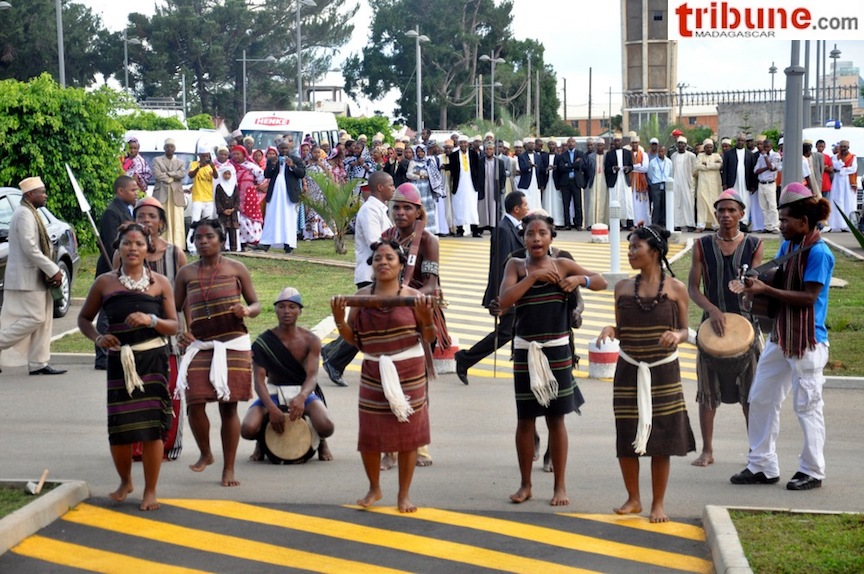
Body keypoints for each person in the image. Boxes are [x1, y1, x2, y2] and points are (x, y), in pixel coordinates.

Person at [730, 183, 834, 491]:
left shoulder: (819, 253)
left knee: (807, 407)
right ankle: (762, 465)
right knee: (761, 397)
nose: (781, 225)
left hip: (807, 340)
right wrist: (754, 285)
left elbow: (809, 298)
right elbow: (776, 280)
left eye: (786, 220)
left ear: (804, 222)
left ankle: (812, 471)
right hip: (782, 335)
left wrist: (766, 289)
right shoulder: (789, 246)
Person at [499, 213, 607, 506]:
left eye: (542, 233)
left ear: (551, 237)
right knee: (525, 419)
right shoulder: (515, 265)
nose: (536, 238)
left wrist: (580, 279)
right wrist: (532, 277)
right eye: (530, 233)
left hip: (558, 350)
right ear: (523, 238)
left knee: (556, 419)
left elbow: (600, 282)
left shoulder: (562, 264)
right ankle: (525, 485)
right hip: (526, 351)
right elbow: (504, 300)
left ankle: (560, 486)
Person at [597, 225, 695, 523]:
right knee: (627, 433)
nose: (630, 253)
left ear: (654, 251)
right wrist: (611, 329)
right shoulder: (623, 288)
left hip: (663, 373)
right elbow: (622, 328)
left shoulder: (675, 289)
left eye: (635, 247)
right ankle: (633, 499)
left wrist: (677, 336)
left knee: (661, 437)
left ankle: (658, 504)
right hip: (628, 370)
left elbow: (685, 330)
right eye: (629, 247)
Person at [78, 222, 179, 511]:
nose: (133, 248)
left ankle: (150, 490)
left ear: (148, 249)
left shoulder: (160, 283)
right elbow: (84, 319)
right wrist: (99, 338)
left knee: (152, 428)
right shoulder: (105, 283)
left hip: (153, 361)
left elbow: (174, 326)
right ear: (118, 248)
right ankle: (125, 481)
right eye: (127, 243)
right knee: (119, 427)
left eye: (139, 244)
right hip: (119, 361)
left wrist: (151, 320)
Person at [330, 240, 437, 513]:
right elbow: (353, 340)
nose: (383, 262)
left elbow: (428, 337)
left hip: (409, 370)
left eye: (390, 258)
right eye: (378, 258)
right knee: (370, 434)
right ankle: (374, 488)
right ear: (372, 265)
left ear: (400, 265)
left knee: (408, 435)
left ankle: (404, 494)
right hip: (373, 370)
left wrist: (426, 318)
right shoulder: (361, 298)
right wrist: (339, 319)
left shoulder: (413, 296)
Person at [174, 219, 261, 487]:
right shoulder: (186, 273)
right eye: (198, 237)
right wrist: (180, 332)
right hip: (201, 344)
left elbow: (256, 304)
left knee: (228, 406)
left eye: (209, 236)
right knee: (194, 401)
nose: (203, 241)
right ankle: (206, 453)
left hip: (233, 344)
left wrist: (246, 311)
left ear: (221, 241)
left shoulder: (236, 268)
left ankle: (229, 469)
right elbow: (174, 308)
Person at [688, 190, 763, 467]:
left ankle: (755, 451)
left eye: (732, 210)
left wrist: (748, 287)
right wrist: (712, 310)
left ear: (742, 214)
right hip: (711, 328)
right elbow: (693, 288)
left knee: (751, 393)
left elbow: (756, 282)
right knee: (707, 392)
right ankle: (707, 450)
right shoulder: (702, 245)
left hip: (746, 327)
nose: (726, 215)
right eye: (721, 210)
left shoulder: (754, 244)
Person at [118, 197, 189, 461]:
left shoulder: (175, 254)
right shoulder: (123, 253)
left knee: (170, 391)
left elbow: (187, 296)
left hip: (169, 332)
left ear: (161, 222)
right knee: (136, 391)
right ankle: (137, 447)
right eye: (141, 216)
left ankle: (168, 445)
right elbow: (114, 292)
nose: (146, 220)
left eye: (152, 216)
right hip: (135, 337)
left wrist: (189, 329)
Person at [241, 287, 334, 462]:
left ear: (300, 311)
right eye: (281, 306)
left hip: (302, 390)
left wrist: (302, 396)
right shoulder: (263, 342)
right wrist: (271, 407)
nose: (286, 311)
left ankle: (321, 441)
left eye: (292, 307)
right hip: (274, 391)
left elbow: (312, 376)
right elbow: (259, 382)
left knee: (326, 426)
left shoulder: (311, 340)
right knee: (247, 429)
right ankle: (261, 442)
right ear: (275, 310)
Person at [321, 172, 396, 387]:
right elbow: (376, 243)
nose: (394, 188)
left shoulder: (379, 209)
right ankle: (335, 361)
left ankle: (331, 351)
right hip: (370, 276)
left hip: (379, 275)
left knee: (363, 322)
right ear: (380, 187)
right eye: (391, 185)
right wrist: (398, 249)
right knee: (367, 325)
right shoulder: (369, 210)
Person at [455, 191, 527, 384]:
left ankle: (523, 365)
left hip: (517, 291)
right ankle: (465, 359)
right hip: (508, 292)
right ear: (516, 208)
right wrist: (501, 298)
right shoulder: (503, 230)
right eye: (525, 205)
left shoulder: (515, 227)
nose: (527, 209)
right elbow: (500, 266)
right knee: (505, 333)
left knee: (518, 330)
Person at [0, 177, 66, 375]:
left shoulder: (31, 212)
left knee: (44, 321)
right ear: (30, 194)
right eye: (41, 192)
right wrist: (53, 269)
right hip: (27, 278)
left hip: (37, 277)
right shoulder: (24, 214)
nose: (45, 195)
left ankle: (38, 363)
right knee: (36, 318)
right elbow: (30, 248)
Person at [94, 175, 137, 370]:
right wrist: (117, 268)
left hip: (125, 268)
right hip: (110, 268)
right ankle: (102, 357)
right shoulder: (112, 213)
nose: (136, 193)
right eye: (132, 190)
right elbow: (112, 244)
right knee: (106, 313)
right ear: (121, 191)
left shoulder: (127, 210)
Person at [262, 139, 306, 253]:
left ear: (289, 148)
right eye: (282, 148)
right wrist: (272, 165)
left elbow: (302, 174)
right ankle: (266, 243)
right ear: (278, 149)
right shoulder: (272, 160)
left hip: (289, 193)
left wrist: (293, 166)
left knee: (288, 218)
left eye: (286, 148)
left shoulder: (296, 159)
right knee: (272, 216)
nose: (284, 150)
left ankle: (288, 245)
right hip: (275, 193)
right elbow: (267, 174)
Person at [151, 138, 187, 250]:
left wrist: (168, 174)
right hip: (161, 194)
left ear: (174, 148)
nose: (169, 149)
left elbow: (182, 174)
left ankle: (177, 245)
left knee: (177, 219)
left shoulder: (180, 162)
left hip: (176, 195)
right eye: (167, 147)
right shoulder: (157, 160)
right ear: (164, 148)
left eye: (171, 147)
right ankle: (162, 243)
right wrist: (171, 179)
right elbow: (157, 174)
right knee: (163, 217)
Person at [230, 146, 265, 250]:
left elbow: (261, 177)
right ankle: (241, 241)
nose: (236, 156)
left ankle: (254, 239)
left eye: (238, 154)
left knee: (251, 216)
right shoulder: (230, 165)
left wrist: (255, 185)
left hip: (249, 194)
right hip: (235, 193)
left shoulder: (251, 166)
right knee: (238, 216)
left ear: (244, 154)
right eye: (234, 154)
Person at [448, 134, 481, 237]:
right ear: (458, 144)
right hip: (459, 184)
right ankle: (460, 230)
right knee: (459, 206)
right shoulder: (453, 155)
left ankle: (474, 230)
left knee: (472, 207)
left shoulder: (474, 154)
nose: (463, 144)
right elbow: (452, 169)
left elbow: (478, 169)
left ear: (468, 144)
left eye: (465, 143)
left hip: (471, 184)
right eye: (461, 143)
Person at [554, 137, 589, 230]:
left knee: (578, 204)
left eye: (572, 142)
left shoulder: (580, 154)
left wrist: (568, 166)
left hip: (576, 182)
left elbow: (580, 165)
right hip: (566, 182)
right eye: (569, 142)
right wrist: (573, 165)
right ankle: (567, 224)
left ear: (575, 143)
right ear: (567, 144)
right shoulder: (562, 155)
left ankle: (578, 224)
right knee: (566, 204)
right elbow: (561, 168)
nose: (571, 144)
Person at [186, 149, 216, 253]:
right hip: (198, 198)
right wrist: (199, 166)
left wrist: (213, 167)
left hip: (209, 198)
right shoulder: (194, 164)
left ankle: (208, 246)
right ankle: (191, 247)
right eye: (203, 156)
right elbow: (191, 175)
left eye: (207, 156)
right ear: (199, 155)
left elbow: (216, 176)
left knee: (208, 224)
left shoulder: (211, 166)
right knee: (195, 222)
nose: (205, 158)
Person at [303, 146, 335, 240]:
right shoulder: (306, 163)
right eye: (315, 152)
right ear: (311, 153)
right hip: (311, 189)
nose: (317, 154)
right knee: (312, 209)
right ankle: (312, 233)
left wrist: (322, 165)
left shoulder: (323, 162)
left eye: (318, 152)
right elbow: (303, 175)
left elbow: (330, 175)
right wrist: (305, 185)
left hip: (322, 189)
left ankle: (325, 232)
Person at [825, 140, 856, 232]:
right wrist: (842, 167)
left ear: (848, 147)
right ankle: (836, 224)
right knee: (837, 201)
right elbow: (835, 166)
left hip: (848, 181)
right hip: (837, 180)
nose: (843, 149)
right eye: (841, 147)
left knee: (848, 201)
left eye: (845, 147)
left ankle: (848, 225)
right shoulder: (835, 157)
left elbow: (853, 168)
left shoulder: (852, 157)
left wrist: (842, 170)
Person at [405, 144, 438, 233]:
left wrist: (420, 173)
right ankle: (418, 230)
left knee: (428, 208)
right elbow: (408, 174)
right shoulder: (413, 162)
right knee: (418, 208)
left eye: (422, 151)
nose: (420, 153)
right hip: (416, 188)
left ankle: (429, 230)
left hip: (427, 189)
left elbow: (433, 174)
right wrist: (419, 176)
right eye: (418, 151)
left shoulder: (429, 162)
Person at [476, 141, 507, 232]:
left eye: (491, 149)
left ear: (493, 150)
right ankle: (481, 227)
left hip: (494, 188)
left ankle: (493, 227)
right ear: (484, 150)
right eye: (487, 149)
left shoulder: (499, 162)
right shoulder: (480, 161)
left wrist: (501, 187)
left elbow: (503, 176)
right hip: (483, 187)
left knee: (494, 207)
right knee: (482, 207)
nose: (489, 151)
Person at [754, 139, 781, 233]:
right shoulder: (760, 157)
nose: (766, 149)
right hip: (761, 183)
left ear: (771, 146)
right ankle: (768, 226)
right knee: (764, 207)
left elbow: (772, 167)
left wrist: (765, 158)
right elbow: (756, 170)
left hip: (770, 183)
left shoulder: (775, 155)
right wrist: (766, 167)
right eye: (764, 147)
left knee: (772, 206)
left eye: (767, 147)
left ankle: (775, 226)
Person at [694, 139, 722, 232]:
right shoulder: (700, 156)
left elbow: (719, 165)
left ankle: (715, 225)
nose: (709, 149)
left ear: (713, 148)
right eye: (707, 147)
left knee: (714, 203)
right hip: (703, 184)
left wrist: (707, 165)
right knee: (702, 204)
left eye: (710, 147)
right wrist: (712, 165)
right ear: (704, 148)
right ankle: (700, 225)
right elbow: (697, 166)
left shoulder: (716, 156)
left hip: (714, 184)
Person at [671, 136, 697, 231]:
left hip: (687, 182)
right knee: (677, 203)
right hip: (676, 181)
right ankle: (677, 224)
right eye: (679, 143)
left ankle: (690, 224)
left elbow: (694, 169)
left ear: (686, 145)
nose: (681, 145)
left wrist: (691, 181)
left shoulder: (691, 156)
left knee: (688, 203)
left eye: (682, 143)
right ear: (677, 145)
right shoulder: (673, 156)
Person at [213, 163, 241, 252]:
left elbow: (237, 199)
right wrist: (222, 210)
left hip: (233, 214)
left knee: (233, 232)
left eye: (229, 174)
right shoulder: (219, 186)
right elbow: (217, 200)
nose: (227, 176)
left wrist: (233, 209)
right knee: (222, 231)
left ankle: (234, 248)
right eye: (225, 174)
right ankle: (221, 248)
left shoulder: (234, 186)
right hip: (223, 214)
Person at [586, 138, 608, 228]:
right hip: (594, 180)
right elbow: (587, 169)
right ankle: (592, 223)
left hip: (603, 180)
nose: (600, 147)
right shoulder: (590, 156)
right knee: (592, 200)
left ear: (604, 146)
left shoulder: (607, 156)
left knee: (603, 201)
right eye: (598, 145)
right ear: (596, 146)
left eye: (601, 145)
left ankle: (603, 222)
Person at [648, 146, 672, 227]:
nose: (661, 153)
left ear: (665, 152)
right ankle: (655, 223)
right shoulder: (653, 162)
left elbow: (670, 173)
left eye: (662, 151)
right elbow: (650, 174)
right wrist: (655, 181)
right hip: (656, 184)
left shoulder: (669, 162)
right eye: (659, 151)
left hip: (666, 183)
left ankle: (663, 222)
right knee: (656, 204)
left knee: (665, 204)